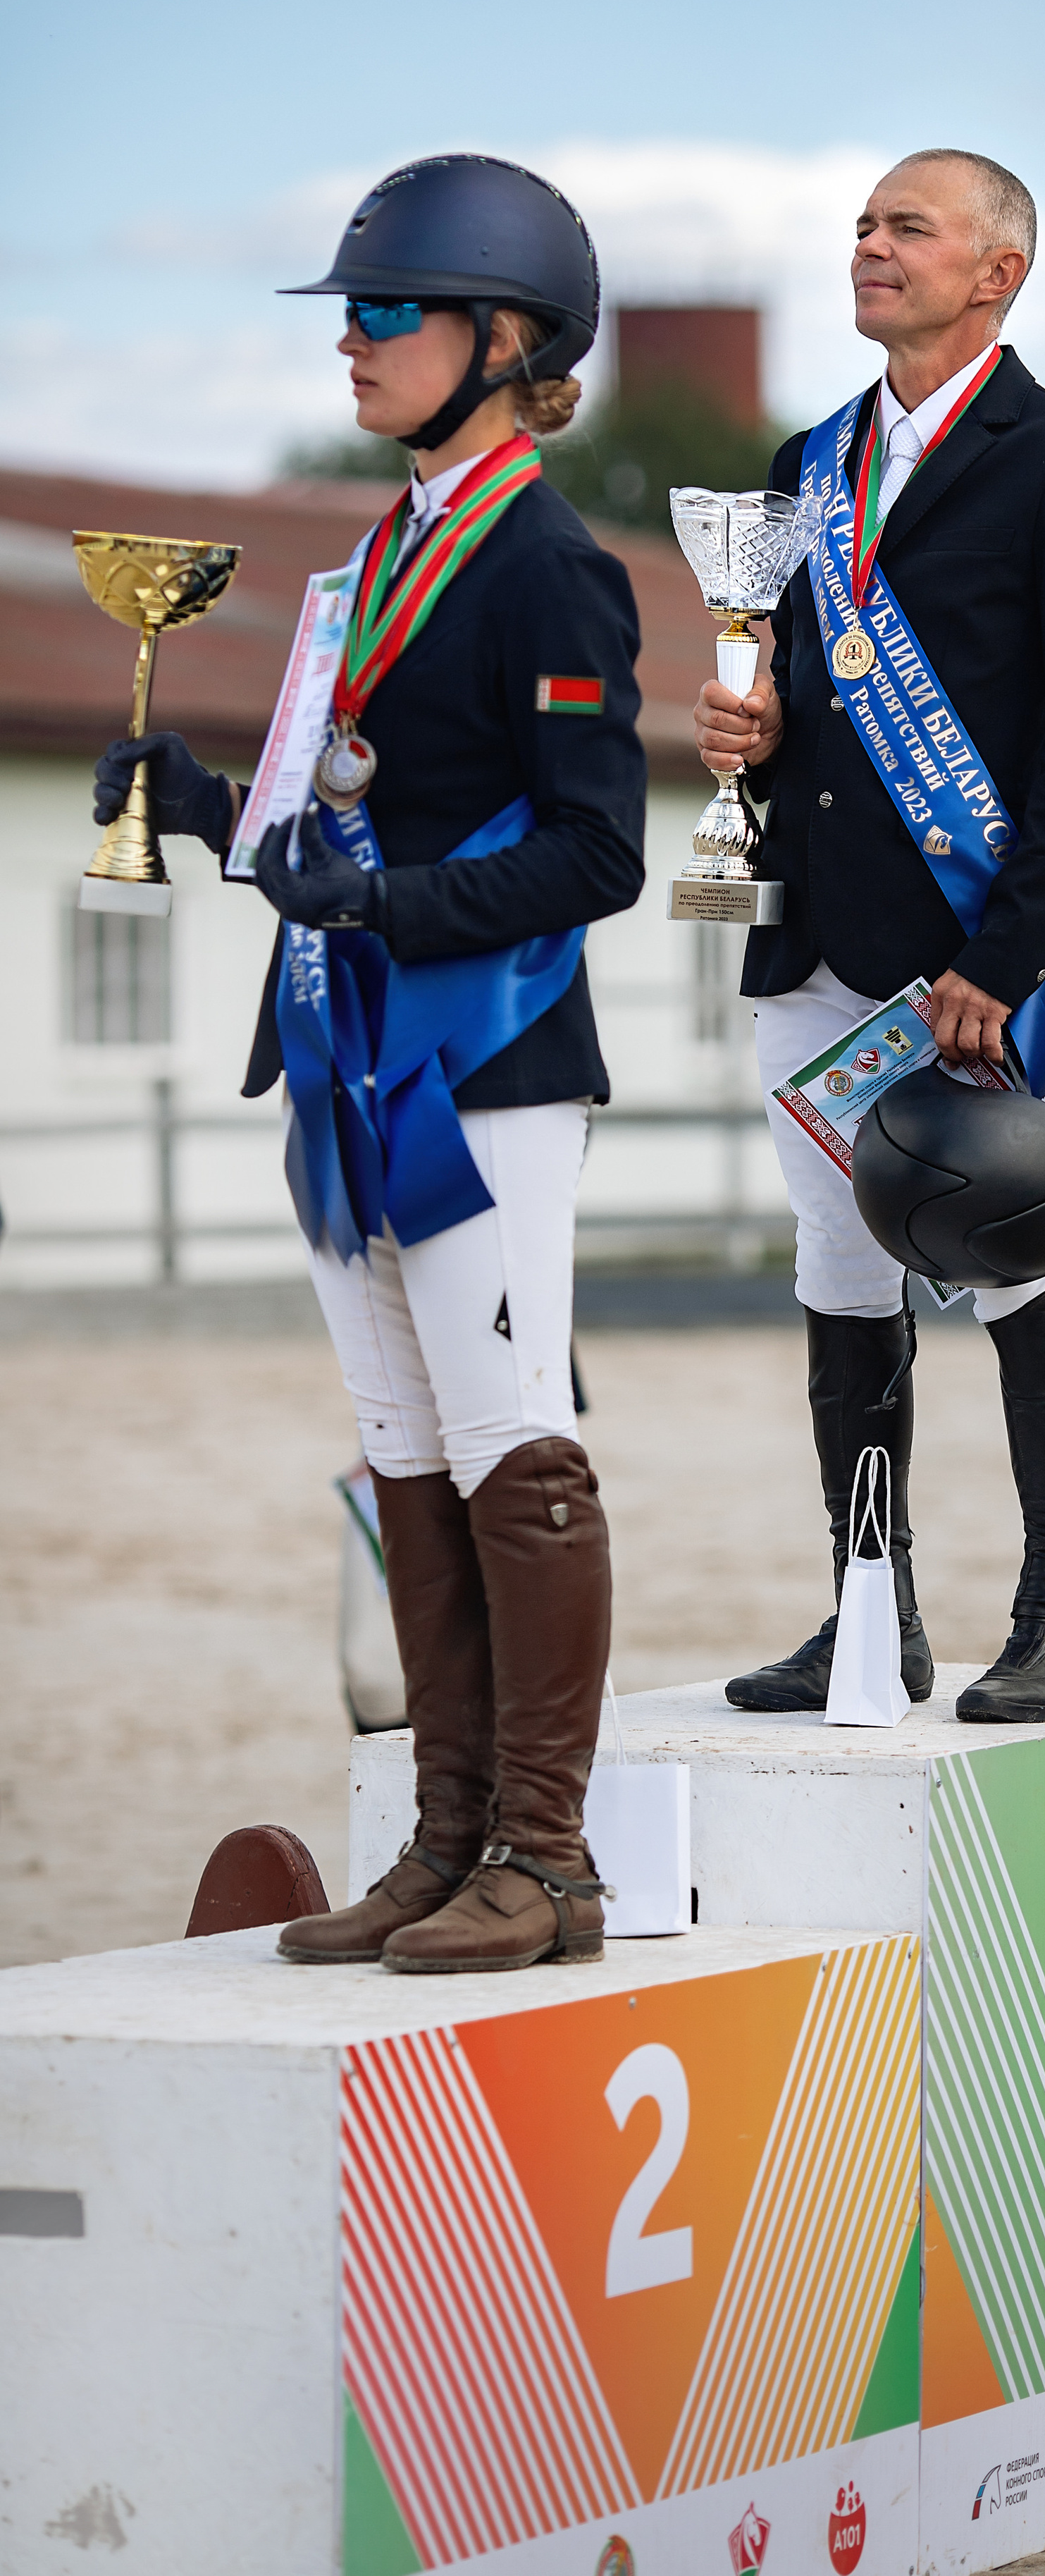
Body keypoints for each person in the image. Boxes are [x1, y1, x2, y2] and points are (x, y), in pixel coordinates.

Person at [89, 154, 648, 1971]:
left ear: (503, 341)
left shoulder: (551, 568)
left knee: (508, 1448)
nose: (356, 343)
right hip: (344, 1059)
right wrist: (195, 803)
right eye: (351, 313)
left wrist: (390, 896)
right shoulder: (377, 559)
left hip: (480, 1068)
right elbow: (316, 812)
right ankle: (443, 1834)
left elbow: (598, 855)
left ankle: (550, 1860)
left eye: (386, 312)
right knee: (402, 1455)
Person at [692, 149, 1045, 1722]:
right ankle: (867, 1608)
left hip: (966, 953)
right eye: (863, 227)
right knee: (837, 1264)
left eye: (908, 229)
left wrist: (1008, 957)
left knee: (1004, 1261)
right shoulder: (806, 458)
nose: (870, 248)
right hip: (813, 935)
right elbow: (799, 690)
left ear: (996, 269)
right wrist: (741, 734)